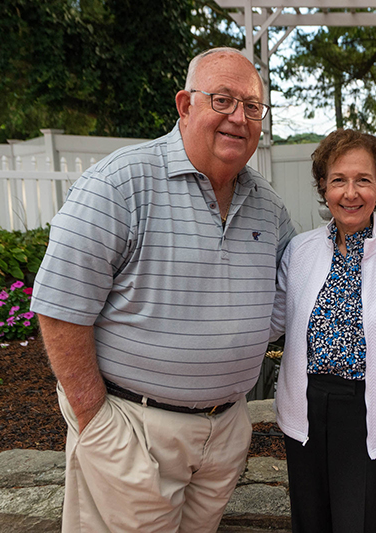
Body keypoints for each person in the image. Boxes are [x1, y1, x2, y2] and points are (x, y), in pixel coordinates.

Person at [30, 47, 296, 532]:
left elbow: (301, 283)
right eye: (222, 100)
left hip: (225, 432)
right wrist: (95, 419)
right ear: (184, 104)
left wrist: (369, 241)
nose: (239, 117)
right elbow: (60, 305)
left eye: (252, 107)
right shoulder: (120, 183)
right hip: (131, 428)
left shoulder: (269, 209)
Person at [270, 129, 376, 533]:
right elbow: (272, 321)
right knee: (310, 522)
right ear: (324, 187)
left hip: (366, 412)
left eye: (363, 180)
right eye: (338, 180)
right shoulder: (299, 251)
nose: (350, 193)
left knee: (359, 522)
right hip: (305, 406)